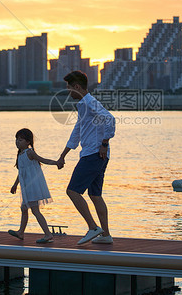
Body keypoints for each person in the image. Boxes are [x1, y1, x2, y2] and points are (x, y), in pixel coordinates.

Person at [57, 71, 115, 245]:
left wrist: (104, 143)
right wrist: (63, 155)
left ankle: (93, 227)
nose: (68, 91)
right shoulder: (84, 105)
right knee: (95, 195)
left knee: (72, 191)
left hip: (93, 155)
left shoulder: (89, 102)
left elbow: (110, 119)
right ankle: (105, 235)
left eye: (69, 87)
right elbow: (77, 132)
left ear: (77, 87)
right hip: (96, 155)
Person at [8, 128, 58, 243]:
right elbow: (21, 172)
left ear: (28, 142)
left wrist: (56, 163)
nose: (17, 142)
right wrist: (15, 184)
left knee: (35, 210)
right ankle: (21, 232)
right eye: (16, 139)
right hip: (26, 187)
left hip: (32, 186)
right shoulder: (20, 154)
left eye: (20, 140)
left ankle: (48, 234)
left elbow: (43, 160)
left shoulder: (29, 152)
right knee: (24, 208)